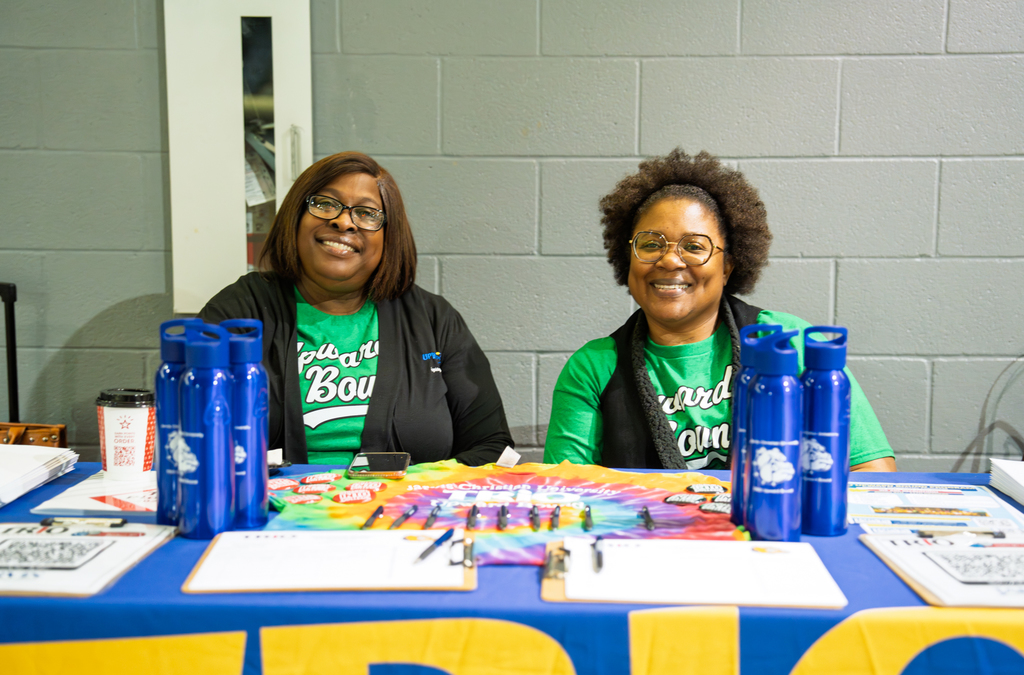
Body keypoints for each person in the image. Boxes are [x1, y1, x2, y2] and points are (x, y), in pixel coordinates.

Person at [544, 149, 896, 472]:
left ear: (728, 265)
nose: (669, 259)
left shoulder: (790, 342)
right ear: (628, 259)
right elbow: (565, 494)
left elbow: (874, 474)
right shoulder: (592, 368)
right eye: (650, 244)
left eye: (694, 246)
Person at [201, 151, 513, 466]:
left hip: (401, 511)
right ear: (296, 217)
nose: (343, 220)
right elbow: (192, 435)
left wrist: (416, 490)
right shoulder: (239, 311)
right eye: (325, 203)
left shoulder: (432, 320)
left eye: (367, 213)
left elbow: (492, 447)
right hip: (269, 511)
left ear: (389, 237)